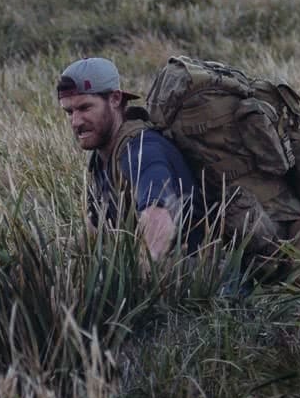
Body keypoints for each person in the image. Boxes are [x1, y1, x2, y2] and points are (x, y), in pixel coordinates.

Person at [56, 56, 202, 261]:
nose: (75, 121)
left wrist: (143, 279)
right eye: (69, 112)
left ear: (115, 99)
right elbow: (96, 231)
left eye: (85, 108)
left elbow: (157, 216)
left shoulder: (142, 149)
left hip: (205, 276)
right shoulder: (102, 157)